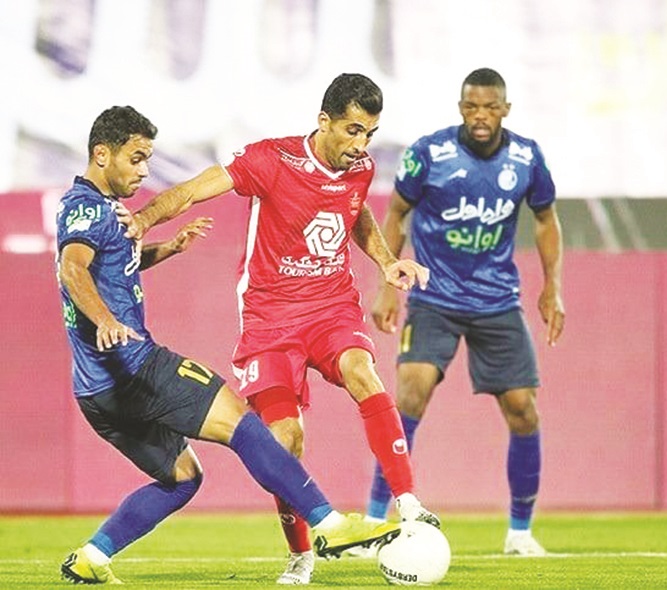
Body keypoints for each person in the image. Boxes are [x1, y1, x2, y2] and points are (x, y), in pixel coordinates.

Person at [56, 105, 401, 585]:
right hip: (134, 367)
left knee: (182, 478)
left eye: (147, 159)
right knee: (244, 422)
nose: (144, 171)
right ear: (101, 154)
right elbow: (72, 268)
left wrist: (165, 249)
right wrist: (106, 320)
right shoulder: (88, 208)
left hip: (96, 393)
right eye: (135, 159)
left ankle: (92, 556)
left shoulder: (94, 208)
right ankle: (329, 524)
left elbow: (109, 265)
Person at [121, 74, 439, 585]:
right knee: (284, 440)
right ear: (324, 121)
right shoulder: (272, 159)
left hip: (331, 307)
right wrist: (144, 219)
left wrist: (386, 262)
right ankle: (300, 554)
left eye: (370, 134)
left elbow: (355, 213)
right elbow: (195, 189)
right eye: (353, 130)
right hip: (270, 320)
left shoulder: (359, 168)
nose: (361, 145)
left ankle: (409, 503)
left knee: (363, 372)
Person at [359, 67, 565, 556]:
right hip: (435, 296)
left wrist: (552, 287)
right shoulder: (429, 154)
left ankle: (520, 532)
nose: (480, 116)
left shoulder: (527, 158)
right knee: (410, 394)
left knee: (523, 409)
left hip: (497, 300)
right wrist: (387, 284)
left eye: (490, 107)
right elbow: (397, 212)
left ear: (505, 110)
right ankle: (373, 521)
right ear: (460, 109)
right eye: (472, 107)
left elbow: (545, 219)